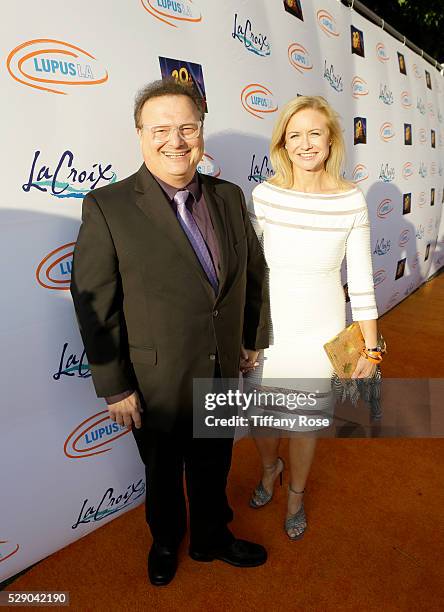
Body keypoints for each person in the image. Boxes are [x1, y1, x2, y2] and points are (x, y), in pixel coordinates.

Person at [70, 79, 270, 586]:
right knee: (161, 474)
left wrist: (249, 339)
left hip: (222, 367)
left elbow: (251, 273)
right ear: (140, 135)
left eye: (187, 127)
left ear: (201, 131)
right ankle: (165, 541)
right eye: (161, 129)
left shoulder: (227, 196)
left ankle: (210, 537)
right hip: (154, 379)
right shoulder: (107, 207)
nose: (175, 140)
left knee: (214, 461)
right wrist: (115, 386)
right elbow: (95, 303)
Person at [247, 96, 382, 541]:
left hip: (320, 331)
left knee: (304, 423)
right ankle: (271, 469)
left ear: (330, 140)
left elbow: (361, 281)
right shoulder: (264, 195)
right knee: (263, 419)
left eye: (315, 134)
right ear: (283, 142)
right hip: (269, 331)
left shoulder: (350, 200)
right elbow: (250, 271)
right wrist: (245, 334)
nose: (306, 144)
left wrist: (372, 348)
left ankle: (296, 496)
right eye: (295, 134)